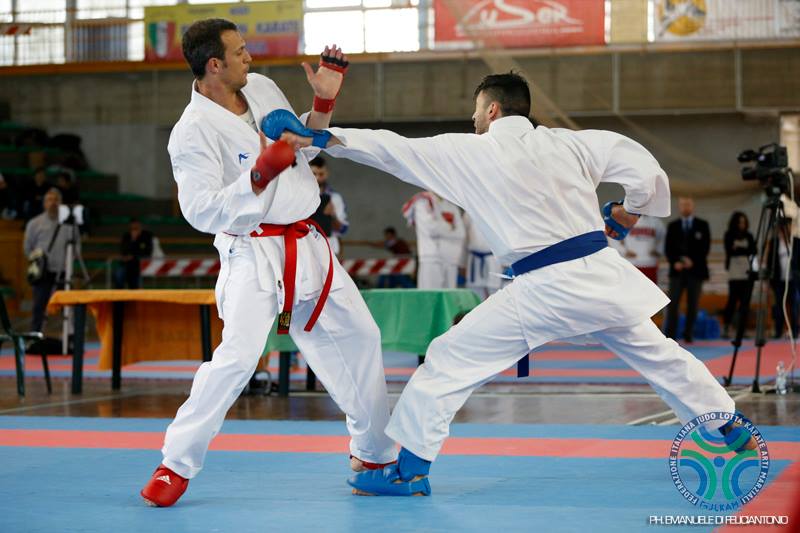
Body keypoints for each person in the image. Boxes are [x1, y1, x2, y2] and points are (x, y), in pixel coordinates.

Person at [275, 71, 747, 496]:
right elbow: (645, 169)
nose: (472, 117)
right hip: (601, 275)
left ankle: (410, 470)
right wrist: (627, 211)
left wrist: (323, 135)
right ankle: (730, 428)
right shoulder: (574, 143)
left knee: (448, 359)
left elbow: (393, 148)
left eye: (477, 109)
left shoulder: (472, 151)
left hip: (542, 289)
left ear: (493, 109)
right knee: (662, 356)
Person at [139, 19, 396, 508]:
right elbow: (200, 211)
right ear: (214, 65)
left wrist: (322, 105)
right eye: (239, 52)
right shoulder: (190, 133)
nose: (249, 58)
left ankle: (373, 456)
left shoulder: (261, 87)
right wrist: (258, 174)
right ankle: (175, 464)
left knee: (361, 337)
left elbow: (305, 142)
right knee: (237, 359)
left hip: (308, 242)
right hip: (251, 252)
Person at [23, 188, 74, 331]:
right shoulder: (34, 223)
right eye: (49, 200)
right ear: (44, 203)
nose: (53, 203)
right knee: (39, 305)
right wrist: (37, 261)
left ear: (61, 203)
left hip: (63, 271)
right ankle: (35, 336)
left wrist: (69, 263)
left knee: (68, 306)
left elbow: (76, 247)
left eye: (56, 200)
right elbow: (27, 248)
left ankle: (69, 336)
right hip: (43, 272)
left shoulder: (69, 224)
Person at [664, 197, 710, 343]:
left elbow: (705, 247)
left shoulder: (702, 225)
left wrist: (693, 261)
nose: (685, 207)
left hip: (696, 271)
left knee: (693, 304)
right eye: (683, 205)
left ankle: (688, 334)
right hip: (677, 270)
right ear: (679, 207)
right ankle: (670, 335)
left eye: (688, 204)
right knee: (673, 304)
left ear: (693, 206)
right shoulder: (673, 226)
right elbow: (668, 248)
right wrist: (676, 261)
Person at [401, 190, 465, 288]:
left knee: (448, 298)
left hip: (451, 258)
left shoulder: (452, 205)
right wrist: (450, 227)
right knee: (430, 297)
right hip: (431, 257)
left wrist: (441, 228)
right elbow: (431, 228)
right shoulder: (422, 202)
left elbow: (461, 233)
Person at [722, 211, 756, 338]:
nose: (742, 224)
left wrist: (740, 249)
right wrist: (743, 251)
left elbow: (753, 250)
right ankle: (727, 326)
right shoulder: (729, 235)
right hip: (734, 272)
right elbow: (730, 250)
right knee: (732, 300)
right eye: (739, 222)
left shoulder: (749, 235)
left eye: (744, 222)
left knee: (745, 303)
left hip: (747, 272)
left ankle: (742, 329)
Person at [607, 214, 665, 285]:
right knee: (630, 289)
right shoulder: (624, 219)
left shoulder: (655, 221)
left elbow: (663, 237)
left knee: (650, 291)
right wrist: (624, 251)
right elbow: (612, 236)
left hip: (649, 263)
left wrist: (658, 250)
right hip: (630, 263)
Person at [309, 155, 348, 257]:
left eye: (321, 174)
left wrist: (333, 215)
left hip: (329, 248)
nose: (317, 177)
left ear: (327, 173)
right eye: (314, 174)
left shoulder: (335, 198)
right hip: (306, 246)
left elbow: (343, 229)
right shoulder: (299, 197)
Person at [462, 212, 502, 300]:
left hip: (493, 257)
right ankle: (474, 312)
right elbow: (464, 237)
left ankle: (495, 312)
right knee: (474, 290)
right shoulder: (469, 211)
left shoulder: (497, 211)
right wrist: (462, 263)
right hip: (474, 257)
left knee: (494, 289)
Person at [114, 218, 154, 289]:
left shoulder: (146, 236)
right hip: (126, 264)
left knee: (135, 281)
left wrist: (134, 256)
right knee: (118, 275)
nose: (134, 230)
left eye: (136, 228)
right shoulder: (126, 236)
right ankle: (119, 298)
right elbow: (123, 251)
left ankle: (135, 297)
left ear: (140, 226)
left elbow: (147, 251)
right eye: (133, 228)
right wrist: (133, 240)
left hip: (139, 264)